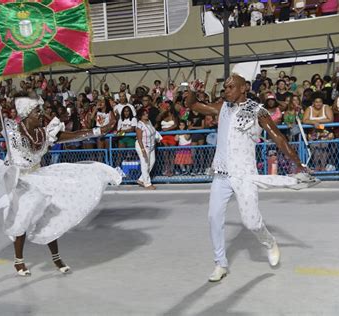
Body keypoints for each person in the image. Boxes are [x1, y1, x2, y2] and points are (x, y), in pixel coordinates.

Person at [0, 89, 121, 277]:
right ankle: (19, 260)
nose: (41, 114)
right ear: (27, 113)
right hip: (17, 179)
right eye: (37, 111)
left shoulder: (45, 133)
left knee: (50, 214)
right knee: (24, 213)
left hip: (37, 177)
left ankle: (56, 257)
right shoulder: (10, 129)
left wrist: (99, 130)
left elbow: (76, 134)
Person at [187, 74, 319, 282]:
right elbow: (193, 104)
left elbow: (279, 138)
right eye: (225, 87)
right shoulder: (222, 107)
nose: (226, 90)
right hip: (221, 174)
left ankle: (269, 242)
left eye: (231, 87)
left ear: (243, 89)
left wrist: (298, 163)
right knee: (213, 217)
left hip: (244, 175)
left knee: (251, 223)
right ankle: (220, 263)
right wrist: (192, 91)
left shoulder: (257, 111)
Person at [135, 108, 162, 190]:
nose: (146, 115)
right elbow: (139, 139)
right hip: (142, 146)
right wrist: (143, 150)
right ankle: (147, 184)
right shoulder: (139, 125)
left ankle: (141, 179)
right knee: (145, 164)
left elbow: (153, 131)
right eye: (144, 114)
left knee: (152, 162)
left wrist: (158, 138)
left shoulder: (149, 122)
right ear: (140, 116)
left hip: (151, 146)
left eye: (146, 113)